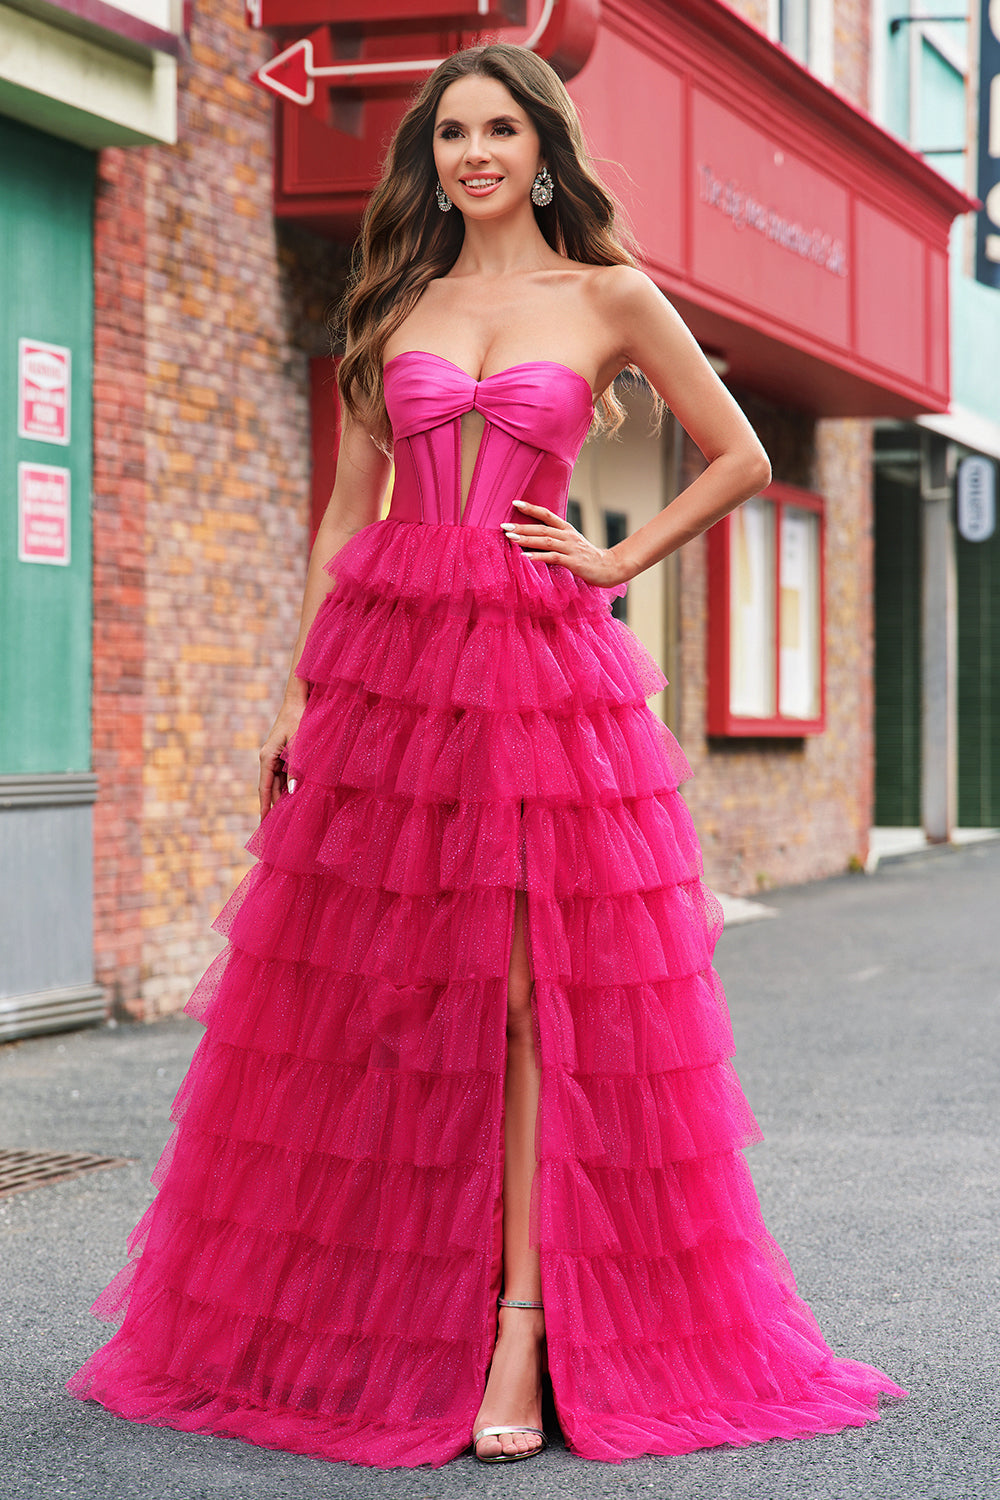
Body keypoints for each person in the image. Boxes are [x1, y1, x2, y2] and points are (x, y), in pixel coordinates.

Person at [67, 42, 905, 1469]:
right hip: (393, 676)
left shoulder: (607, 296)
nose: (473, 154)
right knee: (388, 992)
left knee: (523, 995)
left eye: (500, 130)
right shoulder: (394, 302)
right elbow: (347, 517)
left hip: (537, 673)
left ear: (543, 149)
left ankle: (520, 1319)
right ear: (431, 159)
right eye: (451, 132)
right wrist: (300, 694)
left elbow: (742, 456)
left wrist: (617, 558)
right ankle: (398, 1312)